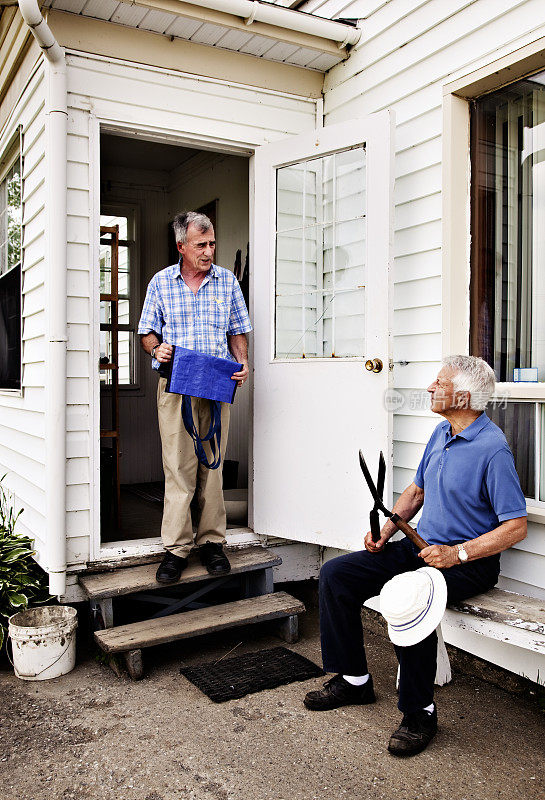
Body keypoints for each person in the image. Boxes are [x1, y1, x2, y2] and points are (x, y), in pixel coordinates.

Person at [304, 355, 527, 757]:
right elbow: (416, 492)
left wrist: (458, 553)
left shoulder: (493, 450)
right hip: (420, 548)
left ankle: (420, 712)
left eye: (437, 383)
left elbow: (516, 526)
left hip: (468, 565)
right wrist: (385, 532)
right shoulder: (442, 433)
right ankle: (354, 680)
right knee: (338, 574)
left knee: (411, 595)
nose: (428, 388)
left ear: (462, 395)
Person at [138, 211, 252, 583]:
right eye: (200, 245)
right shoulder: (161, 283)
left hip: (216, 384)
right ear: (181, 247)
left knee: (213, 465)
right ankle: (176, 549)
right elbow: (146, 333)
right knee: (178, 467)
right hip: (176, 385)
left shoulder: (227, 281)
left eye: (212, 243)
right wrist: (156, 349)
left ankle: (212, 544)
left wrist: (243, 362)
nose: (208, 251)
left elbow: (237, 330)